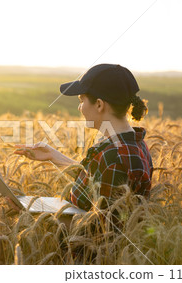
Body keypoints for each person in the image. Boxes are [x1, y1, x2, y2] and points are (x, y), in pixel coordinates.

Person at [12, 64, 154, 223]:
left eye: (81, 100)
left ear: (99, 104)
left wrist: (37, 216)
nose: (79, 107)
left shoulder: (114, 156)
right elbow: (94, 182)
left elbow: (103, 231)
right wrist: (53, 155)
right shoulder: (130, 144)